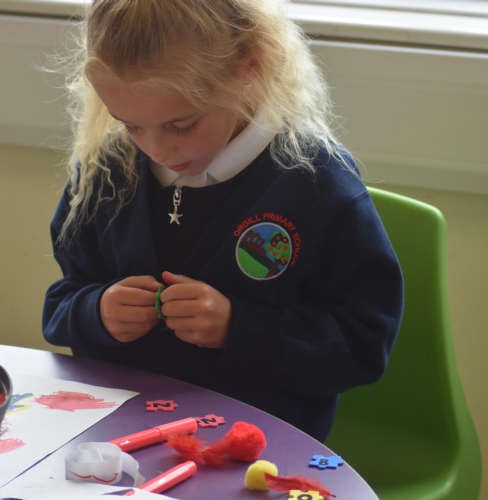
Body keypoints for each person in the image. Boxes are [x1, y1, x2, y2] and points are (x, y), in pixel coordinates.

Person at [43, 0, 403, 443]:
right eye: (130, 125)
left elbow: (362, 345)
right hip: (121, 435)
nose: (157, 150)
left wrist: (239, 328)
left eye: (182, 125)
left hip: (254, 445)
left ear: (249, 69)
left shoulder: (316, 184)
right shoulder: (107, 170)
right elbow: (61, 304)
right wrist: (96, 311)